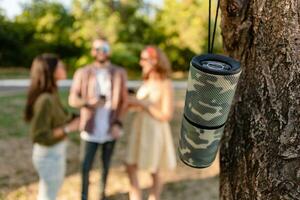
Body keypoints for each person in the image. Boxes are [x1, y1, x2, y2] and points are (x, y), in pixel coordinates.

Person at [68, 36, 128, 200]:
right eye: (97, 49)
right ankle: (84, 196)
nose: (101, 52)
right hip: (89, 128)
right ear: (92, 51)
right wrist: (89, 102)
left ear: (109, 51)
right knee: (85, 166)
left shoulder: (119, 73)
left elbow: (124, 102)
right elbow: (72, 99)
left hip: (110, 127)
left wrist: (118, 123)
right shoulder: (82, 72)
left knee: (105, 165)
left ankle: (102, 194)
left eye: (105, 49)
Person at [24, 53, 80, 200]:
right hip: (49, 156)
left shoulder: (52, 94)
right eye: (60, 66)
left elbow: (61, 117)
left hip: (55, 152)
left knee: (48, 193)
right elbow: (39, 136)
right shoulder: (45, 100)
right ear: (51, 71)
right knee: (48, 196)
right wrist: (69, 128)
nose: (64, 68)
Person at [125, 46, 177, 200]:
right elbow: (138, 105)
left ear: (155, 61)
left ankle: (153, 197)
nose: (141, 63)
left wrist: (144, 104)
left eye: (144, 59)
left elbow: (166, 115)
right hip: (139, 127)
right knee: (130, 166)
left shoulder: (165, 84)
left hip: (155, 131)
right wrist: (131, 102)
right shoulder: (146, 81)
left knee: (154, 169)